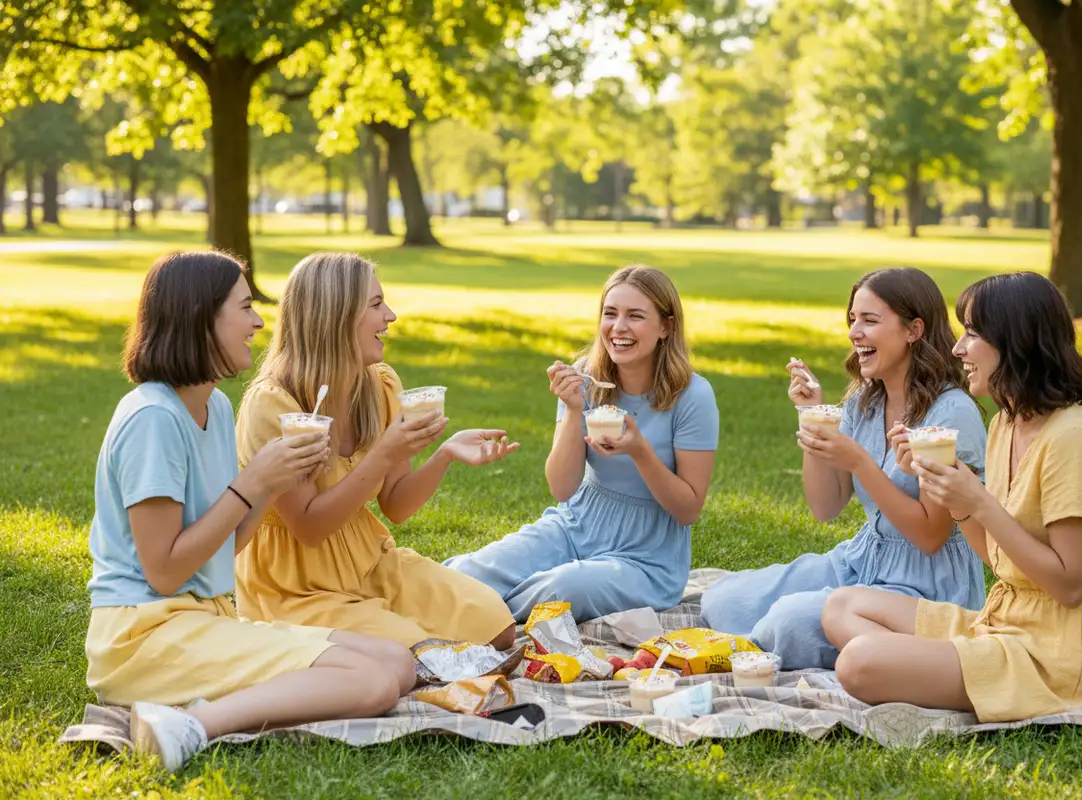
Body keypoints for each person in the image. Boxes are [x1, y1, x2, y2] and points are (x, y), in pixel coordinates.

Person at [86, 252, 415, 772]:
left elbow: (222, 549)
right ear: (202, 318)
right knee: (372, 684)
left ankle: (201, 709)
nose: (260, 322)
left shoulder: (214, 407)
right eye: (245, 307)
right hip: (143, 638)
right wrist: (253, 481)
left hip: (204, 618)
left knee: (397, 664)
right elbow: (165, 571)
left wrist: (272, 482)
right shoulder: (152, 418)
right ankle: (192, 725)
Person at [822, 272, 1082, 723]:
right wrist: (950, 489)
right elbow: (998, 560)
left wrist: (980, 502)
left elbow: (1070, 585)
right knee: (842, 604)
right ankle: (942, 666)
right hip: (1002, 620)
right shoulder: (1007, 424)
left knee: (857, 662)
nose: (957, 349)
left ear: (1015, 341)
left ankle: (934, 667)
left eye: (972, 334)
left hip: (1056, 657)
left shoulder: (1073, 441)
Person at [701, 267, 986, 670]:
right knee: (725, 598)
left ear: (913, 329)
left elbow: (930, 536)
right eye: (853, 319)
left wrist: (859, 461)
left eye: (870, 320)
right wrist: (811, 416)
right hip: (862, 557)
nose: (855, 332)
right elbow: (826, 506)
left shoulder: (950, 412)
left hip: (927, 583)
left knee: (786, 623)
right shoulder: (864, 401)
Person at [235, 252, 518, 650]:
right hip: (296, 586)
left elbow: (397, 505)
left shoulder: (380, 386)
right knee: (421, 651)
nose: (391, 316)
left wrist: (445, 455)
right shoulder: (276, 406)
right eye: (376, 305)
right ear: (335, 317)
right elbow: (309, 528)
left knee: (494, 625)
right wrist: (383, 453)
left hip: (370, 560)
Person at [446, 265, 719, 622]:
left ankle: (477, 618)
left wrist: (640, 451)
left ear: (666, 327)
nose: (618, 327)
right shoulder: (586, 377)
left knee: (562, 589)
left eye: (635, 316)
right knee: (476, 570)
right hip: (575, 525)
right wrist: (574, 410)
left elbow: (688, 511)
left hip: (646, 558)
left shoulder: (693, 396)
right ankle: (432, 599)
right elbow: (561, 488)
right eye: (610, 313)